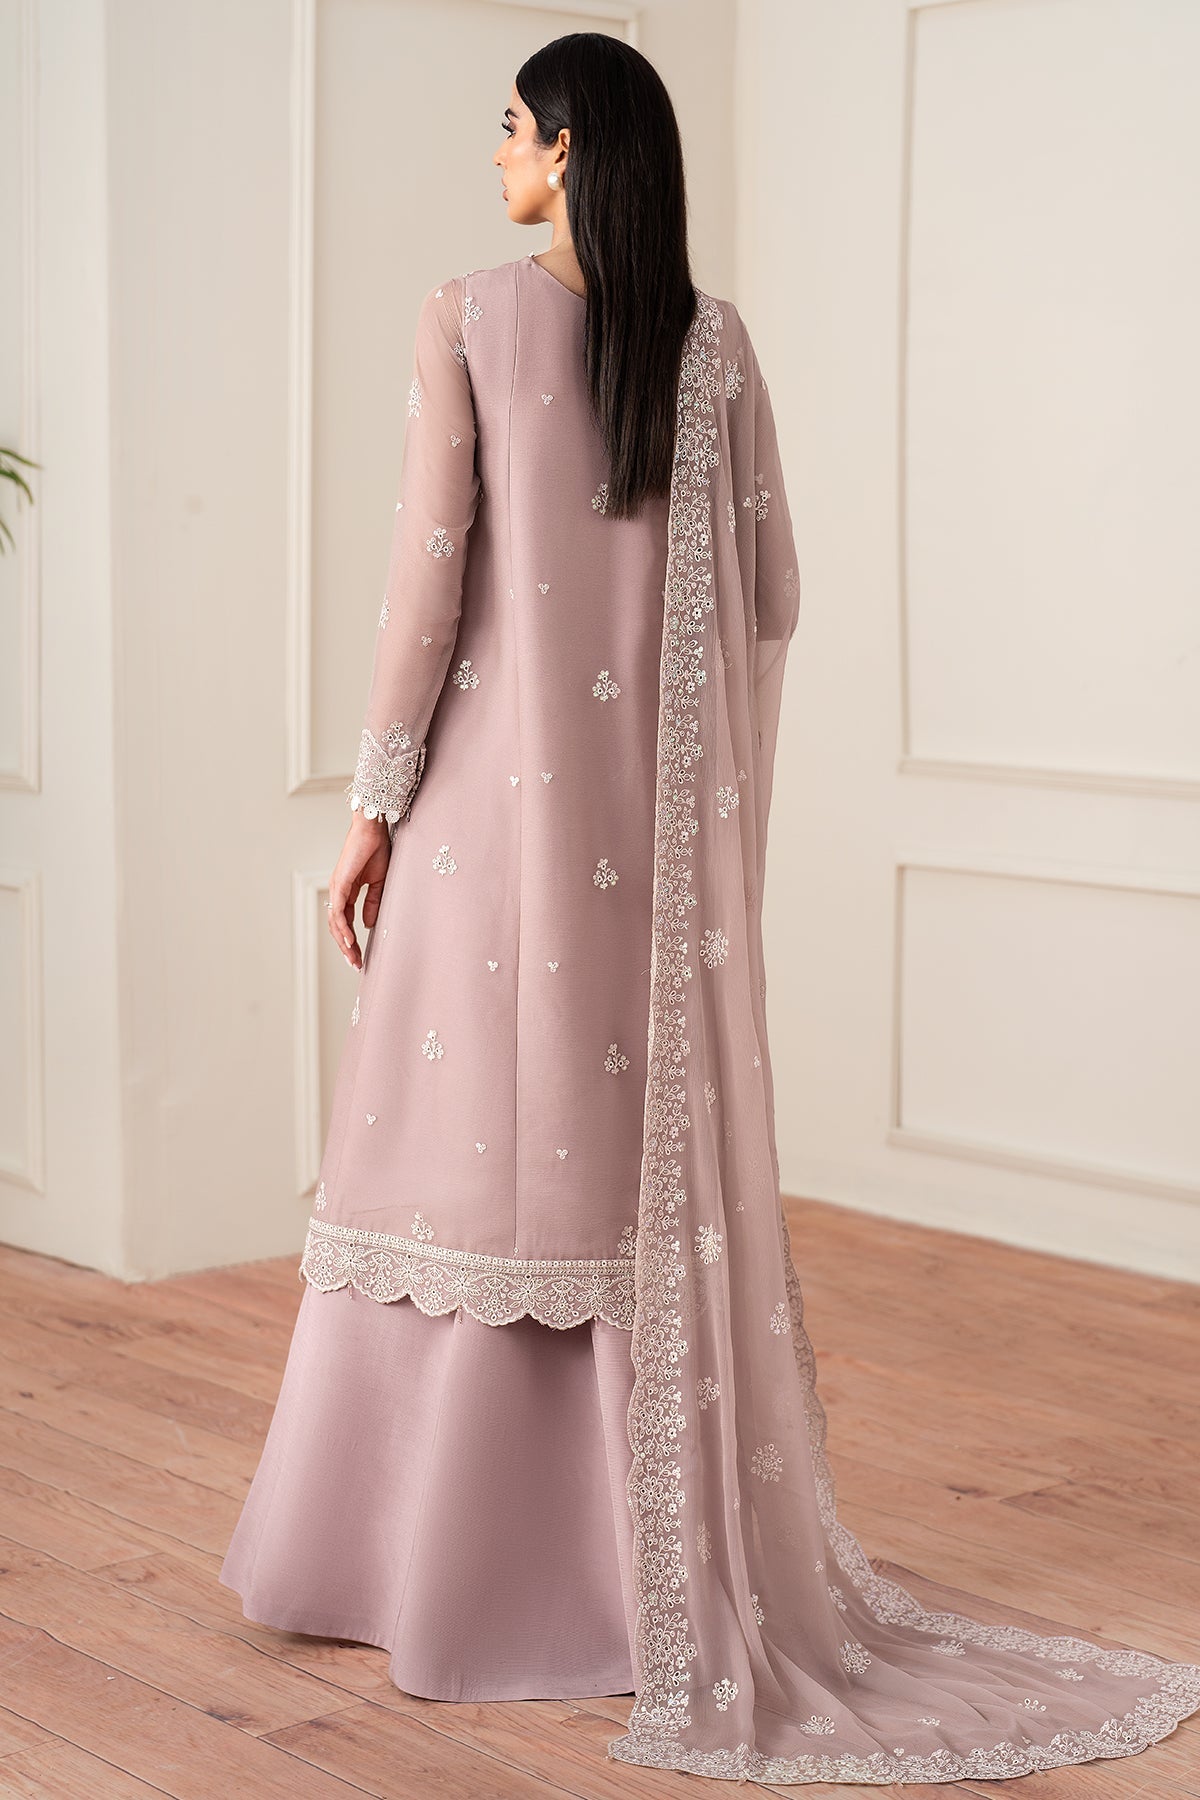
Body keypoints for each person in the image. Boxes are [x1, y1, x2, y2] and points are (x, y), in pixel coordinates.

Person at [220, 32, 1200, 1784]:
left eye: (511, 131)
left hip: (477, 828)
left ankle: (406, 1565)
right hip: (646, 864)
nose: (496, 158)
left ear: (569, 148)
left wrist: (371, 806)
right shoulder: (713, 344)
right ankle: (633, 1574)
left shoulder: (464, 318)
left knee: (446, 1157)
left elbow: (426, 584)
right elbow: (774, 593)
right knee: (608, 1175)